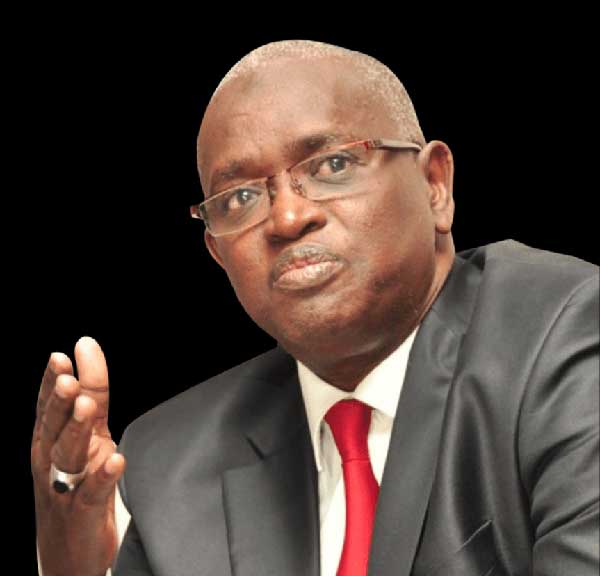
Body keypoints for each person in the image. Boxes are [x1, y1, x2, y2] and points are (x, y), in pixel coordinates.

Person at [32, 40, 599, 576]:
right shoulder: (169, 462)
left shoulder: (565, 334)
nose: (286, 218)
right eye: (241, 197)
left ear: (434, 185)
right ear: (217, 253)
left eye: (332, 166)